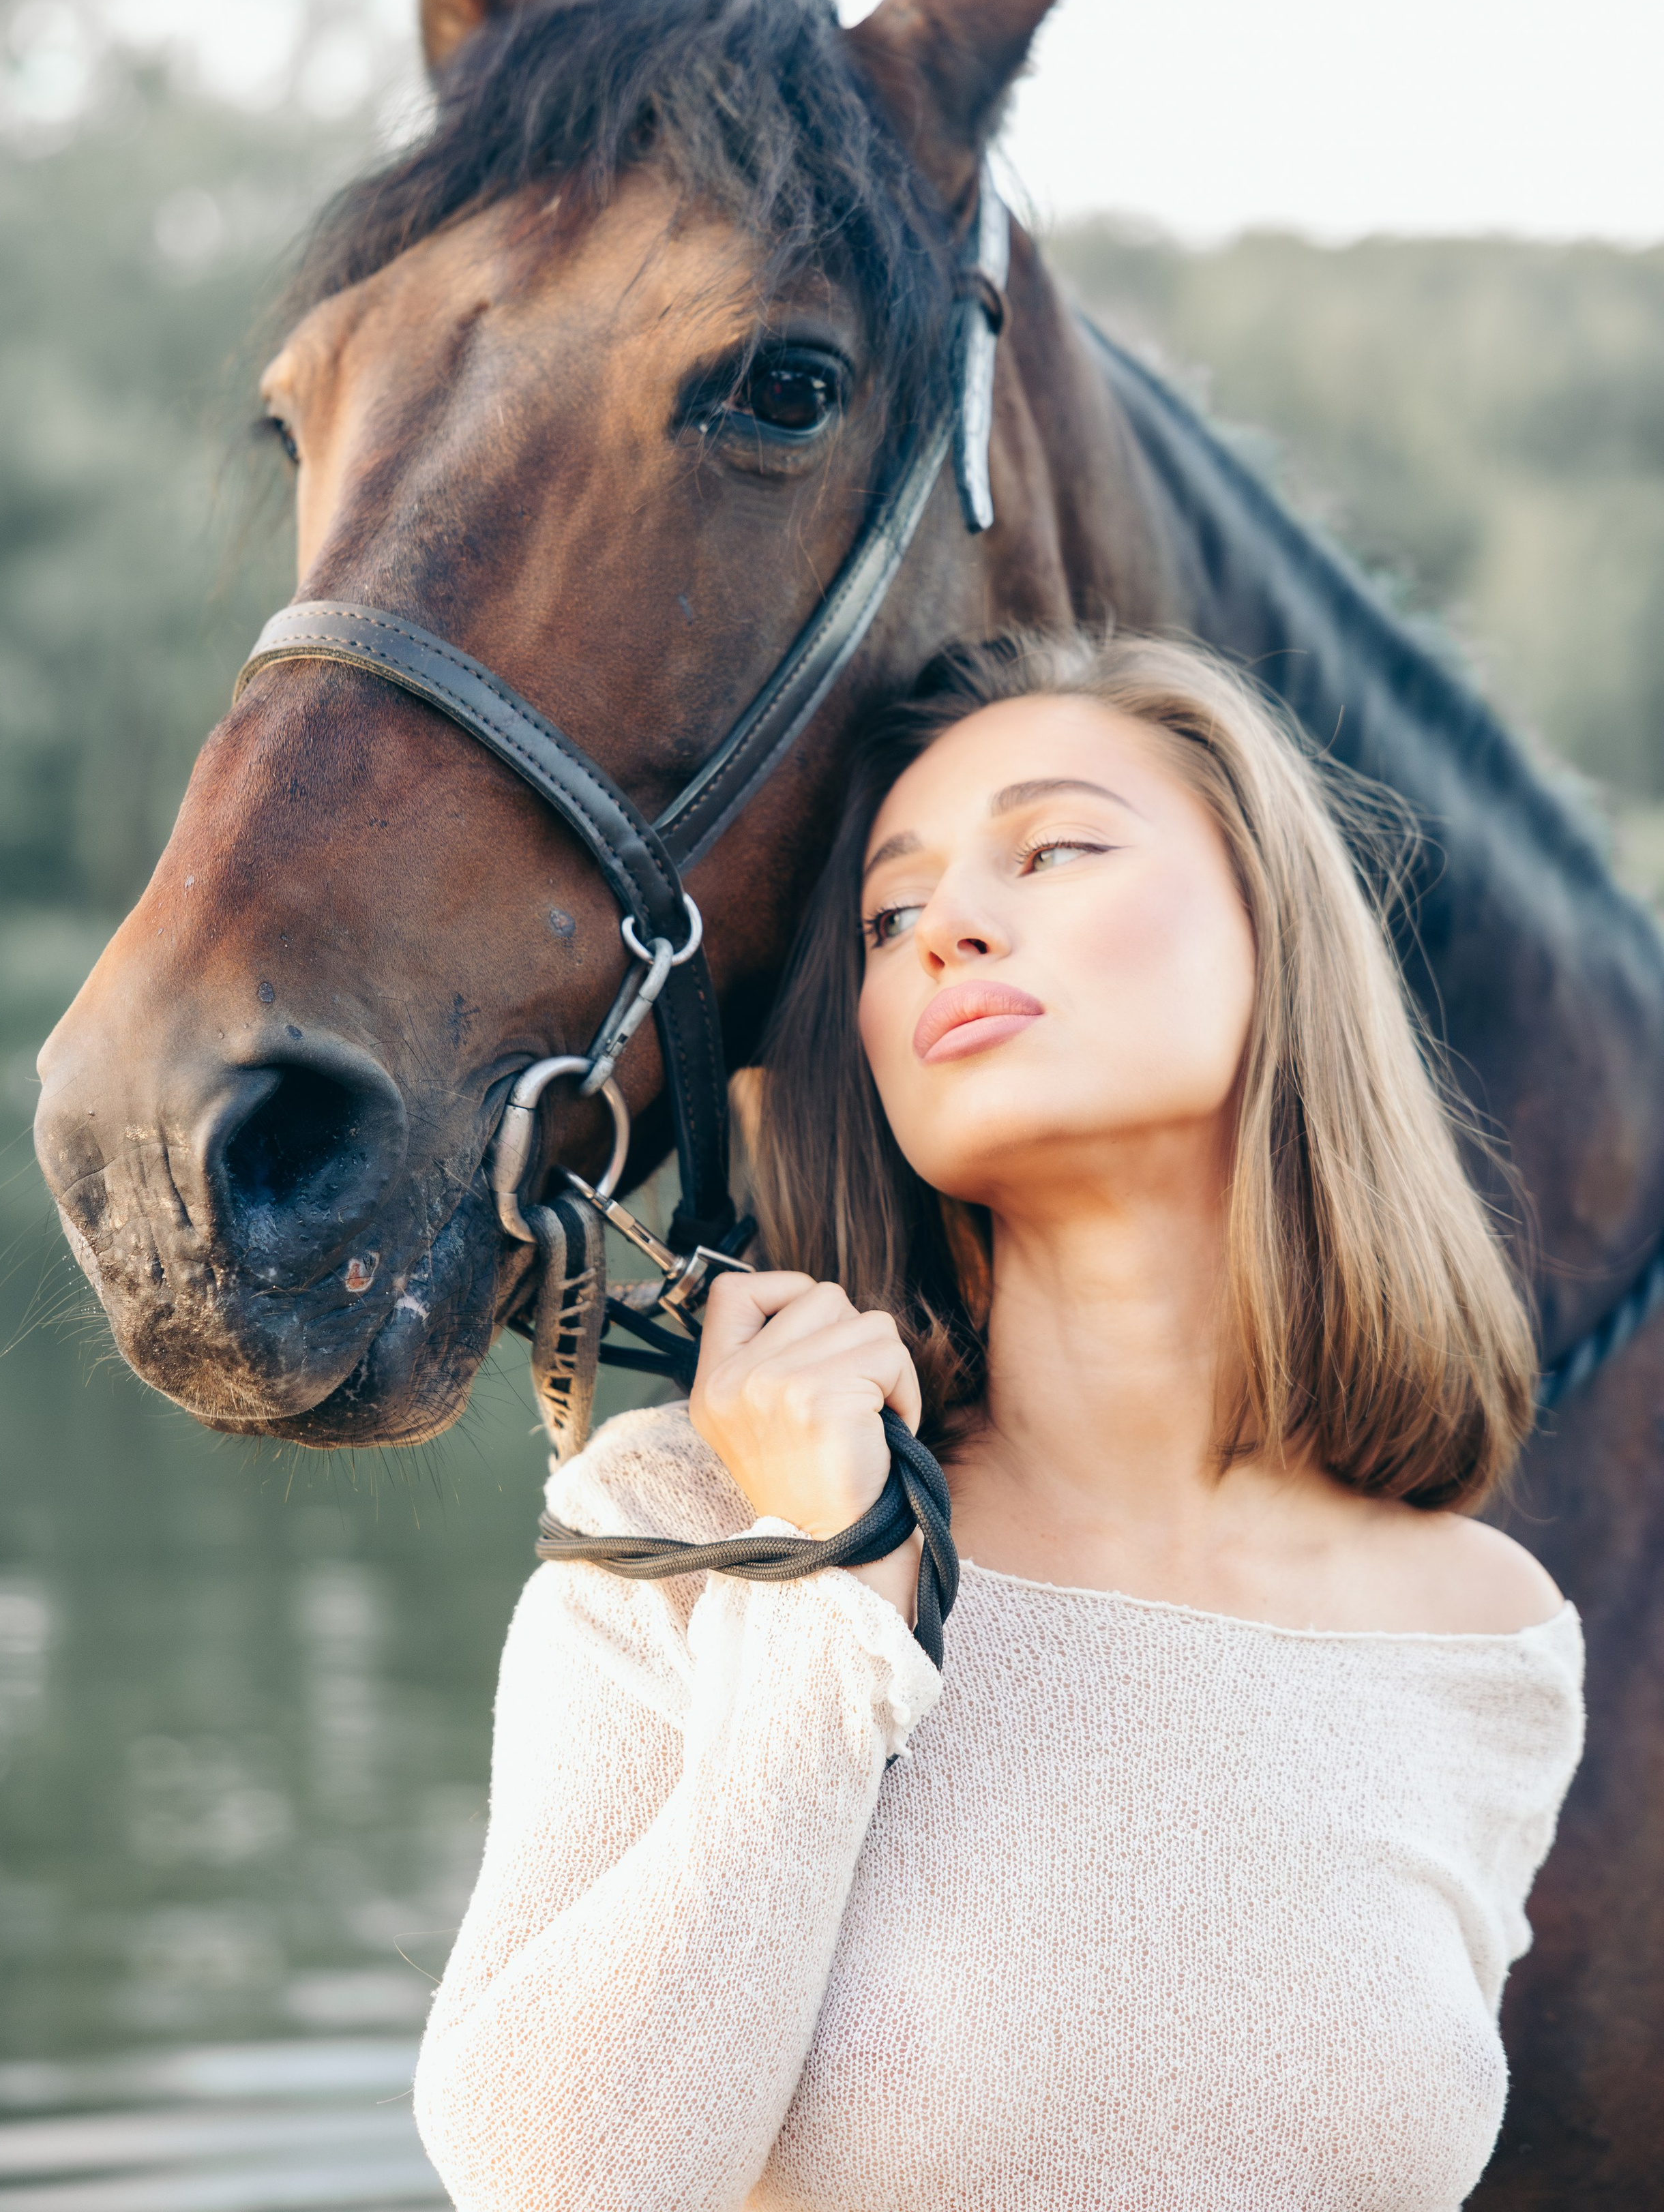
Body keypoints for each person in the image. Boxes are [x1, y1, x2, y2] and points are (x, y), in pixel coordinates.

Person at [415, 627, 1584, 2211]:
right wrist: (828, 1587)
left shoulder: (1483, 1636)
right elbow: (553, 2187)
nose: (948, 930)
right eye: (888, 917)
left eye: (1053, 851)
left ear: (1273, 929)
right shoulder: (691, 1524)